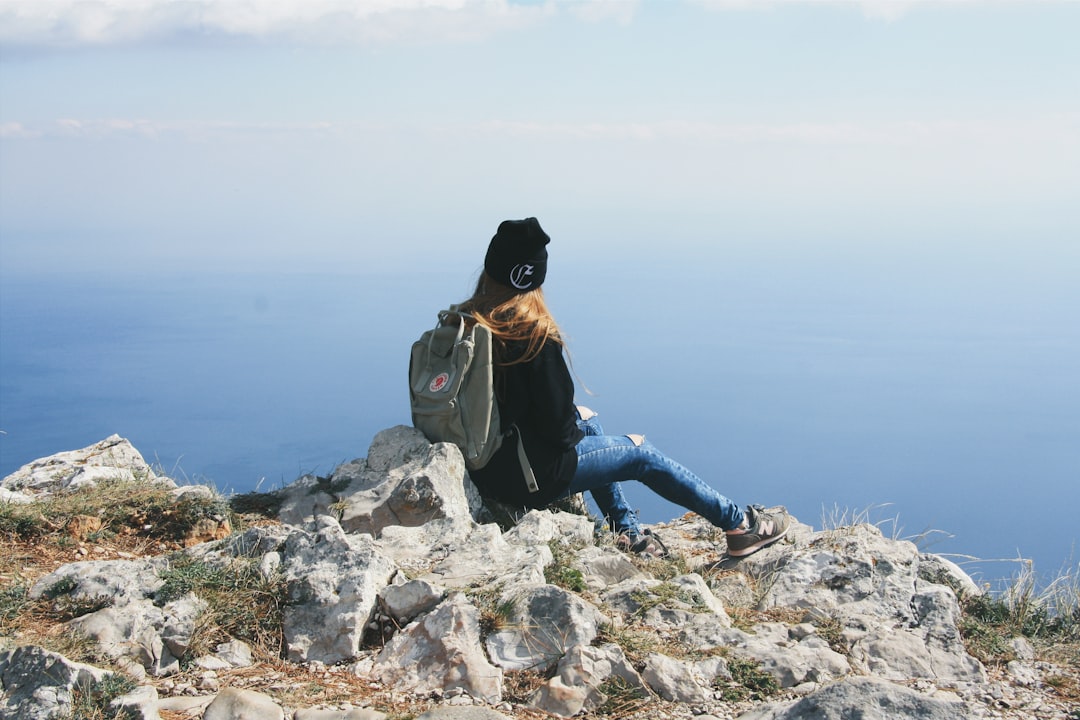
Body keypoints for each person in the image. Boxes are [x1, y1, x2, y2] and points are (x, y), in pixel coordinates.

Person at [462, 217, 790, 559]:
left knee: (588, 422)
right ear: (533, 277)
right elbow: (558, 434)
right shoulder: (530, 335)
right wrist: (571, 428)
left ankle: (626, 532)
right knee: (640, 453)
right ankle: (741, 526)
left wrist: (574, 425)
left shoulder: (465, 323)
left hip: (486, 467)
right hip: (527, 478)